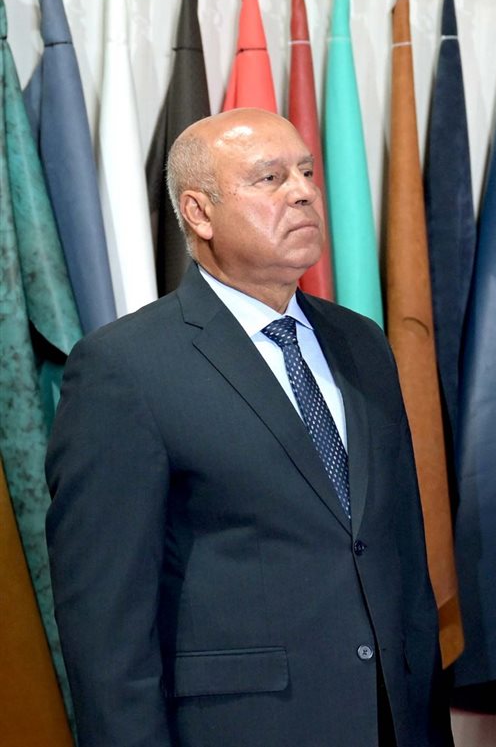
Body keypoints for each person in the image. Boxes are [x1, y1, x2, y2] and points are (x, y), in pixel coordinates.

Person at [45, 109, 451, 747]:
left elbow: (399, 556)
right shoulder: (124, 368)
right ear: (199, 213)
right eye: (270, 178)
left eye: (307, 172)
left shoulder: (362, 343)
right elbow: (104, 624)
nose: (303, 192)